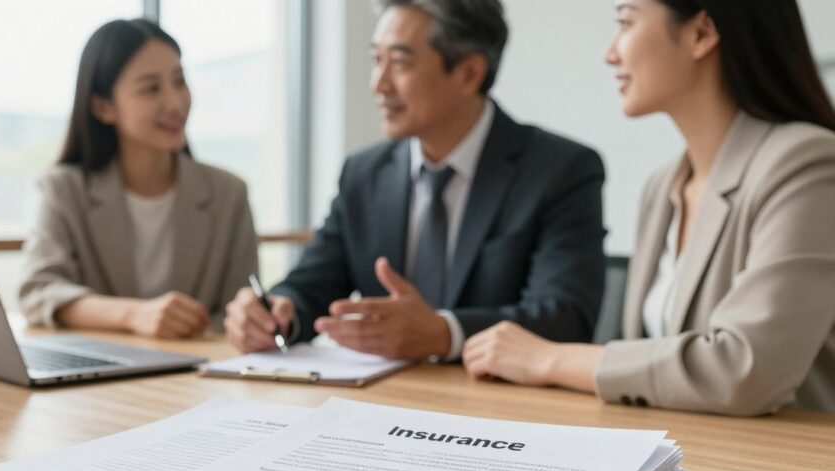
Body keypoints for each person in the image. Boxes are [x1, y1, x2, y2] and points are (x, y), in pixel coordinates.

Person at [463, 0, 835, 415]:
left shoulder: (807, 163)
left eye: (625, 23)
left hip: (780, 470)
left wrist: (548, 359)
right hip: (683, 454)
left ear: (701, 34)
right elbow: (646, 361)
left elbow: (747, 370)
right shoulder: (663, 186)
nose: (610, 52)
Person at [225, 0, 607, 360]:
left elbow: (566, 317)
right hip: (382, 405)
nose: (378, 84)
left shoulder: (561, 170)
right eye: (376, 60)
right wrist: (274, 312)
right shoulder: (363, 173)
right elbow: (313, 286)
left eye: (399, 63)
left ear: (468, 73)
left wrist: (445, 333)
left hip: (501, 411)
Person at [19, 19, 258, 339]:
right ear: (103, 107)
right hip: (99, 376)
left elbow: (241, 314)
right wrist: (133, 314)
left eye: (179, 81)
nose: (175, 103)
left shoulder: (229, 193)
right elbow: (39, 292)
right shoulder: (63, 190)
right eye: (151, 88)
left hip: (197, 375)